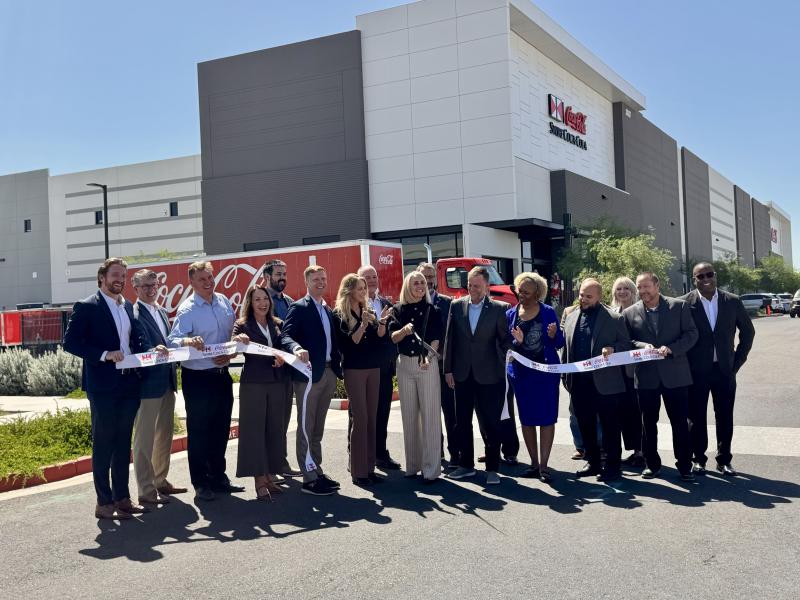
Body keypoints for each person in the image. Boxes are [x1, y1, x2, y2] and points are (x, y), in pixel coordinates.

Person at [63, 258, 152, 520]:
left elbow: (133, 341)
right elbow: (70, 343)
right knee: (104, 443)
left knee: (123, 443)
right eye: (115, 275)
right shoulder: (87, 306)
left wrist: (149, 352)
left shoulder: (127, 307)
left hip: (128, 383)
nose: (120, 280)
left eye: (123, 276)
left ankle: (122, 498)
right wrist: (103, 354)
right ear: (102, 277)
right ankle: (104, 503)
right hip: (102, 386)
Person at [168, 261, 249, 502]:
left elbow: (231, 338)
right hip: (198, 378)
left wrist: (234, 350)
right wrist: (188, 341)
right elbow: (173, 340)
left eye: (210, 277)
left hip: (222, 376)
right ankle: (201, 482)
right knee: (200, 431)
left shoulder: (223, 302)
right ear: (191, 282)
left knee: (221, 429)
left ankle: (218, 477)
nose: (208, 282)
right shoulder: (188, 309)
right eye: (202, 279)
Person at [623, 272, 698, 481]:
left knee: (680, 423)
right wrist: (642, 347)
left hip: (676, 374)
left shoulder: (678, 306)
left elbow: (692, 334)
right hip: (646, 376)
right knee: (648, 424)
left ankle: (685, 465)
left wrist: (672, 348)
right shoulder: (630, 313)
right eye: (639, 287)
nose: (643, 291)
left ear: (657, 285)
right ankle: (651, 464)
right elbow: (626, 341)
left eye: (646, 286)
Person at [681, 262, 755, 476]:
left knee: (724, 416)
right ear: (694, 279)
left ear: (715, 276)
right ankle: (699, 459)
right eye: (700, 276)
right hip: (696, 372)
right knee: (696, 418)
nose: (706, 279)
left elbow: (748, 333)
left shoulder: (732, 301)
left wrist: (736, 362)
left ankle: (724, 460)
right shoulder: (684, 304)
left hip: (724, 371)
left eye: (709, 274)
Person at [444, 266, 512, 485]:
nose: (472, 289)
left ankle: (492, 467)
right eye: (470, 285)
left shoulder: (500, 309)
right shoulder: (456, 306)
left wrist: (513, 345)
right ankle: (466, 466)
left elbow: (505, 341)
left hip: (490, 376)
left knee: (491, 423)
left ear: (487, 286)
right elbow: (450, 340)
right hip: (462, 374)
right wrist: (448, 369)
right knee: (462, 422)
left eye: (477, 286)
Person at [280, 265, 344, 496]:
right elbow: (284, 335)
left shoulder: (327, 309)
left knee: (317, 428)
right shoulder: (299, 307)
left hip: (327, 373)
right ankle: (308, 479)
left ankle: (316, 469)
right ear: (307, 282)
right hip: (308, 376)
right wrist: (296, 348)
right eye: (316, 279)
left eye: (323, 278)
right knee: (306, 428)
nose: (321, 282)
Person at [562, 279, 631, 482]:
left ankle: (612, 467)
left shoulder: (614, 318)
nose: (583, 299)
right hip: (579, 383)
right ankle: (592, 462)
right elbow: (566, 348)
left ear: (599, 297)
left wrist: (613, 349)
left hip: (606, 384)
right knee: (586, 425)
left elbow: (626, 344)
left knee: (610, 428)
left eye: (588, 296)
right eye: (581, 295)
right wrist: (566, 377)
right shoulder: (571, 316)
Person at [130, 269, 184, 507]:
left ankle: (160, 480)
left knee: (164, 435)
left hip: (167, 380)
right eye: (146, 286)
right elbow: (135, 346)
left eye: (155, 285)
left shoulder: (162, 311)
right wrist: (152, 352)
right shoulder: (132, 313)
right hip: (147, 383)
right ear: (136, 289)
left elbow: (170, 342)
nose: (152, 289)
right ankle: (146, 489)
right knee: (144, 438)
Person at [231, 285, 291, 500]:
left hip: (277, 382)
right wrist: (238, 341)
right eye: (257, 300)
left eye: (265, 299)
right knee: (255, 431)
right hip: (254, 384)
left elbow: (285, 344)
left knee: (275, 429)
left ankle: (270, 476)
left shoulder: (277, 324)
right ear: (250, 302)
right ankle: (259, 480)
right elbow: (234, 344)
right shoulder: (242, 324)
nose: (262, 303)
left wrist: (284, 356)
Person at [506, 272, 564, 482]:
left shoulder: (548, 312)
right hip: (522, 377)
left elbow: (559, 343)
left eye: (526, 292)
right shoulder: (511, 314)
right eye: (519, 290)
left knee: (547, 418)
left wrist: (552, 335)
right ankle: (533, 463)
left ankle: (544, 466)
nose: (521, 295)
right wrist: (517, 343)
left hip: (546, 376)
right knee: (527, 419)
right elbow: (506, 346)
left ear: (537, 293)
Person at [334, 273, 390, 485]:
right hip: (354, 369)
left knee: (372, 418)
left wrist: (382, 323)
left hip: (373, 368)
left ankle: (369, 467)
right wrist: (364, 324)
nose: (364, 292)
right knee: (361, 418)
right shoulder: (339, 314)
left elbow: (379, 338)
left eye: (364, 289)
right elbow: (352, 342)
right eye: (359, 288)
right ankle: (358, 471)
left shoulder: (368, 311)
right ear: (349, 290)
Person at [389, 271, 443, 482]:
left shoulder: (433, 310)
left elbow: (437, 338)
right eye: (415, 283)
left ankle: (431, 470)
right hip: (404, 365)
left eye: (422, 282)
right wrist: (404, 330)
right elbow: (393, 338)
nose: (420, 286)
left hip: (426, 363)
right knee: (409, 416)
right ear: (407, 286)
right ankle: (413, 465)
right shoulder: (397, 310)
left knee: (430, 417)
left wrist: (429, 357)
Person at [356, 264, 400, 470]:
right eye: (367, 277)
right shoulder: (354, 305)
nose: (372, 280)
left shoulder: (386, 303)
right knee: (360, 414)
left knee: (382, 412)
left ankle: (380, 454)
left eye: (374, 276)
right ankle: (355, 454)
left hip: (383, 368)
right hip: (362, 368)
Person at [262, 258, 301, 478]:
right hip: (268, 370)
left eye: (284, 273)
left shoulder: (288, 301)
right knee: (270, 422)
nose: (282, 277)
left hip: (288, 371)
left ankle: (280, 463)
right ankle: (269, 467)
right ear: (267, 276)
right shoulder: (260, 300)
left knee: (283, 420)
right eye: (278, 274)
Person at [417, 261, 457, 468]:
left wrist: (447, 362)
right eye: (425, 276)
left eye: (432, 276)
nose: (430, 280)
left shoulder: (448, 303)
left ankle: (455, 456)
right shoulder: (412, 303)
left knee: (451, 413)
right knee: (429, 414)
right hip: (422, 368)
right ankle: (436, 454)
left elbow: (453, 336)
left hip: (443, 368)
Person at [611, 276, 645, 468]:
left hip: (637, 371)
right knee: (625, 412)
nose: (622, 292)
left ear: (633, 291)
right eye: (618, 289)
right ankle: (634, 450)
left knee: (638, 411)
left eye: (626, 288)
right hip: (618, 372)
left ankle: (643, 451)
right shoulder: (612, 312)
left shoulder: (640, 311)